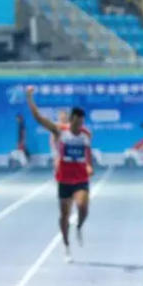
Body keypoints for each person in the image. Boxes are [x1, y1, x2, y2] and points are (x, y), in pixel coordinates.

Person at [26, 87, 93, 262]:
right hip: (64, 179)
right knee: (64, 215)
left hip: (81, 179)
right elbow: (39, 118)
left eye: (81, 124)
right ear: (71, 122)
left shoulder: (86, 134)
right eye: (76, 124)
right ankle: (66, 245)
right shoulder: (60, 131)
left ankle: (79, 225)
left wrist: (89, 165)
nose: (79, 127)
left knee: (83, 207)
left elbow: (88, 153)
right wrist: (29, 98)